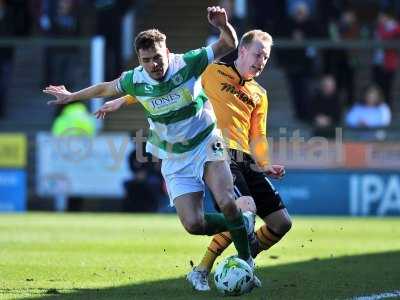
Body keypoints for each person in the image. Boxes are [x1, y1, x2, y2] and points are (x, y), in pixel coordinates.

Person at [43, 6, 258, 282]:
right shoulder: (136, 79)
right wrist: (71, 96)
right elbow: (104, 87)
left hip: (206, 141)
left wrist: (223, 25)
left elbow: (229, 43)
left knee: (228, 201)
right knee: (194, 224)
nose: (153, 65)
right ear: (139, 60)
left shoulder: (188, 63)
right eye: (146, 60)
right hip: (174, 155)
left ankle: (245, 261)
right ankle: (242, 224)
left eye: (157, 57)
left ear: (167, 52)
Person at [97, 29, 292, 292]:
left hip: (247, 159)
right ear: (243, 51)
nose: (261, 62)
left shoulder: (260, 93)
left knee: (282, 223)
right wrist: (122, 100)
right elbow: (162, 87)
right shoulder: (211, 71)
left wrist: (265, 163)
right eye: (258, 54)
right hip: (216, 151)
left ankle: (242, 259)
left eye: (266, 58)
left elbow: (258, 133)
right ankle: (207, 267)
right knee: (242, 208)